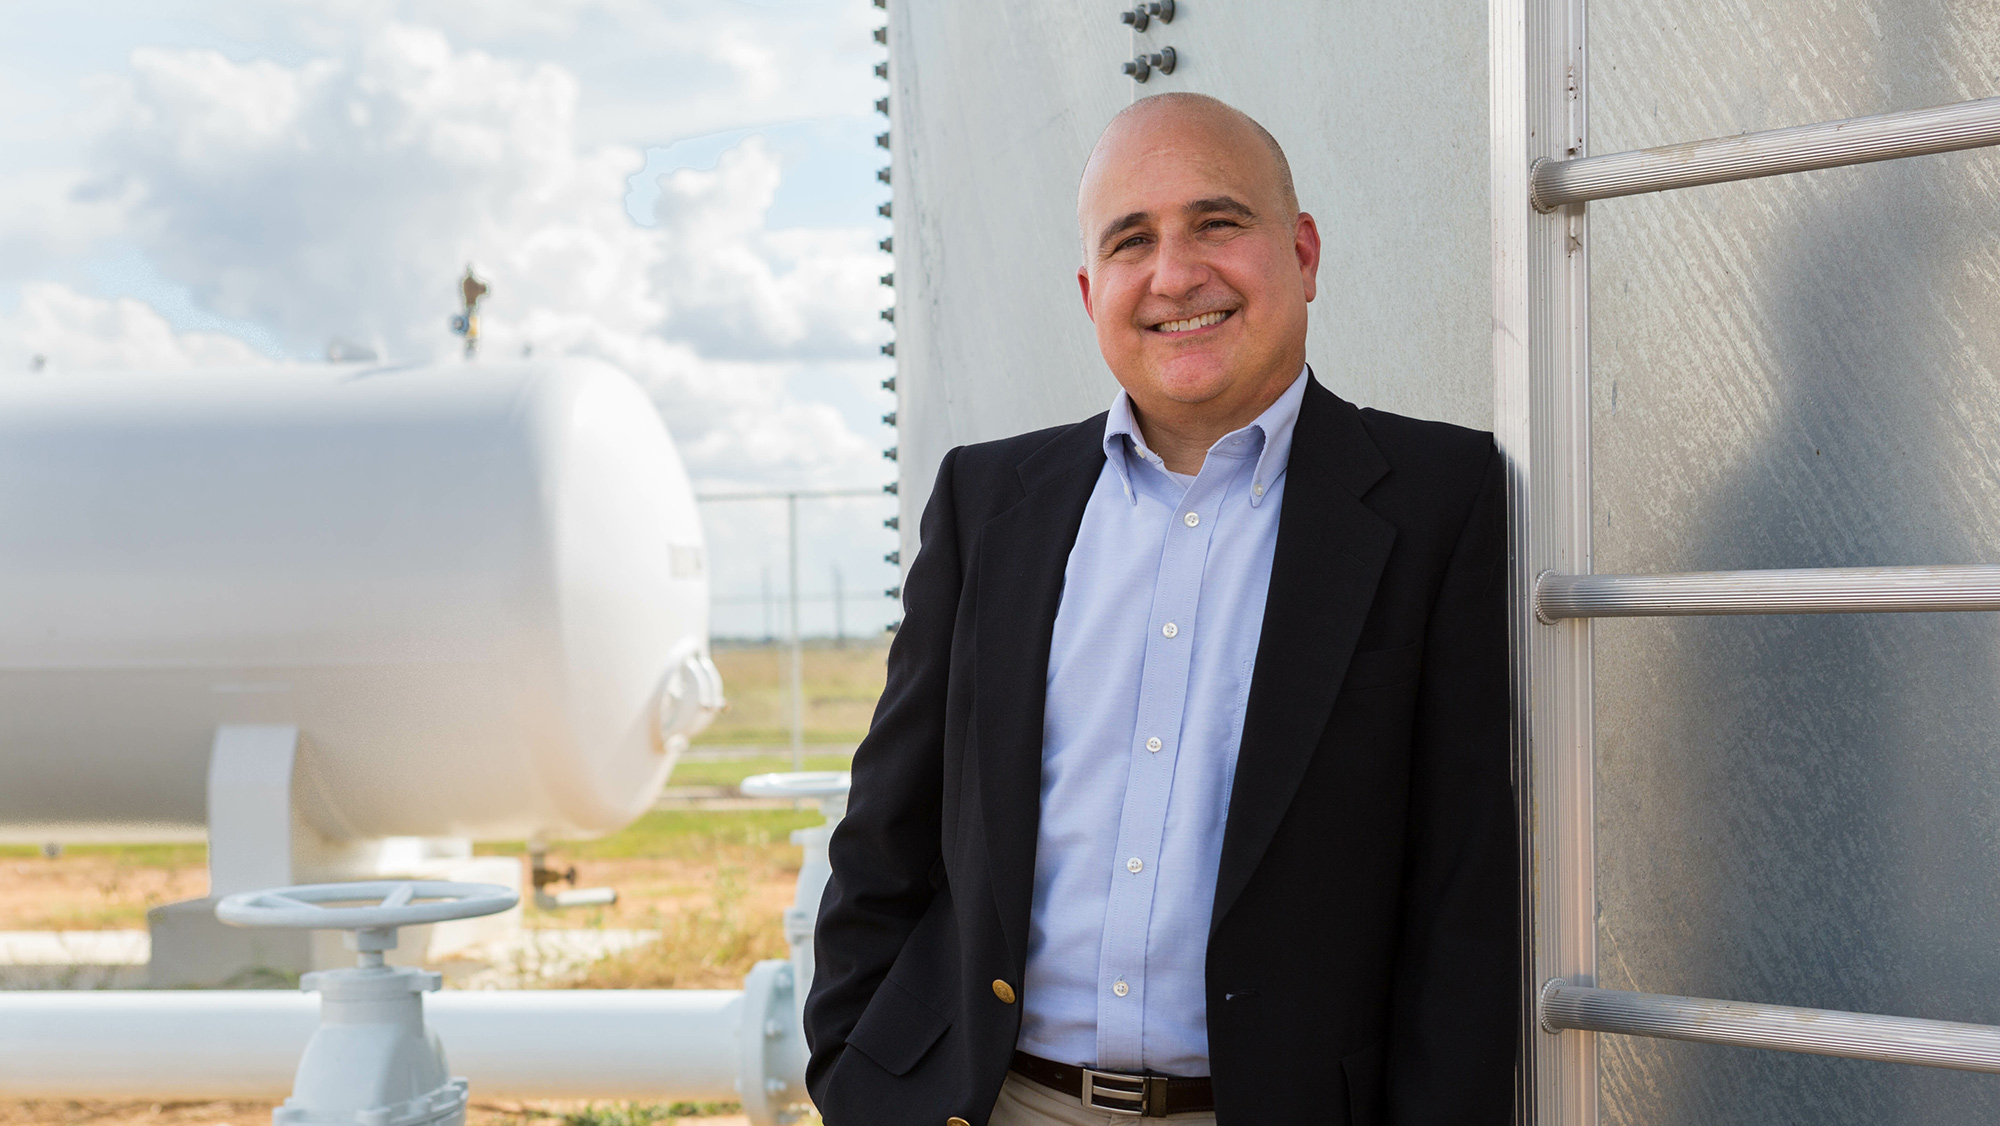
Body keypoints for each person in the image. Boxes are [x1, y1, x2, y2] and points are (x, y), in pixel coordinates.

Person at [804, 92, 1517, 1126]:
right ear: (1091, 289)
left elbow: (1460, 893)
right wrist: (856, 1073)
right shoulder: (985, 504)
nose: (1174, 274)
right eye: (1131, 240)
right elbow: (885, 834)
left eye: (1216, 223)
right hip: (996, 1103)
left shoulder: (1436, 498)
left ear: (1302, 254)